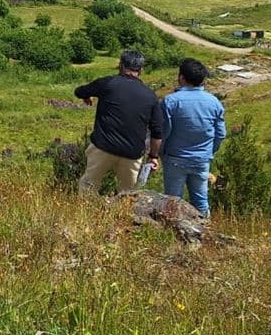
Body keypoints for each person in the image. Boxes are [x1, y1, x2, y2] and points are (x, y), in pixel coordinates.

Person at [74, 50, 163, 195]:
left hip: (103, 146)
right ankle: (123, 217)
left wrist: (87, 95)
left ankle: (84, 216)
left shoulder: (108, 83)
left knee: (88, 186)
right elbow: (157, 132)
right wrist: (153, 156)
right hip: (132, 152)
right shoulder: (150, 95)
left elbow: (79, 91)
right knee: (128, 194)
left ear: (120, 65)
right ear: (141, 70)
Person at [159, 58, 227, 218]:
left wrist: (161, 153)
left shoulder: (171, 101)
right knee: (201, 201)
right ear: (202, 79)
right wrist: (210, 151)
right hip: (202, 159)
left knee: (173, 201)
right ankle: (205, 233)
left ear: (182, 78)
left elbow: (164, 131)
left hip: (175, 157)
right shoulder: (214, 102)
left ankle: (173, 234)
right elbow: (221, 134)